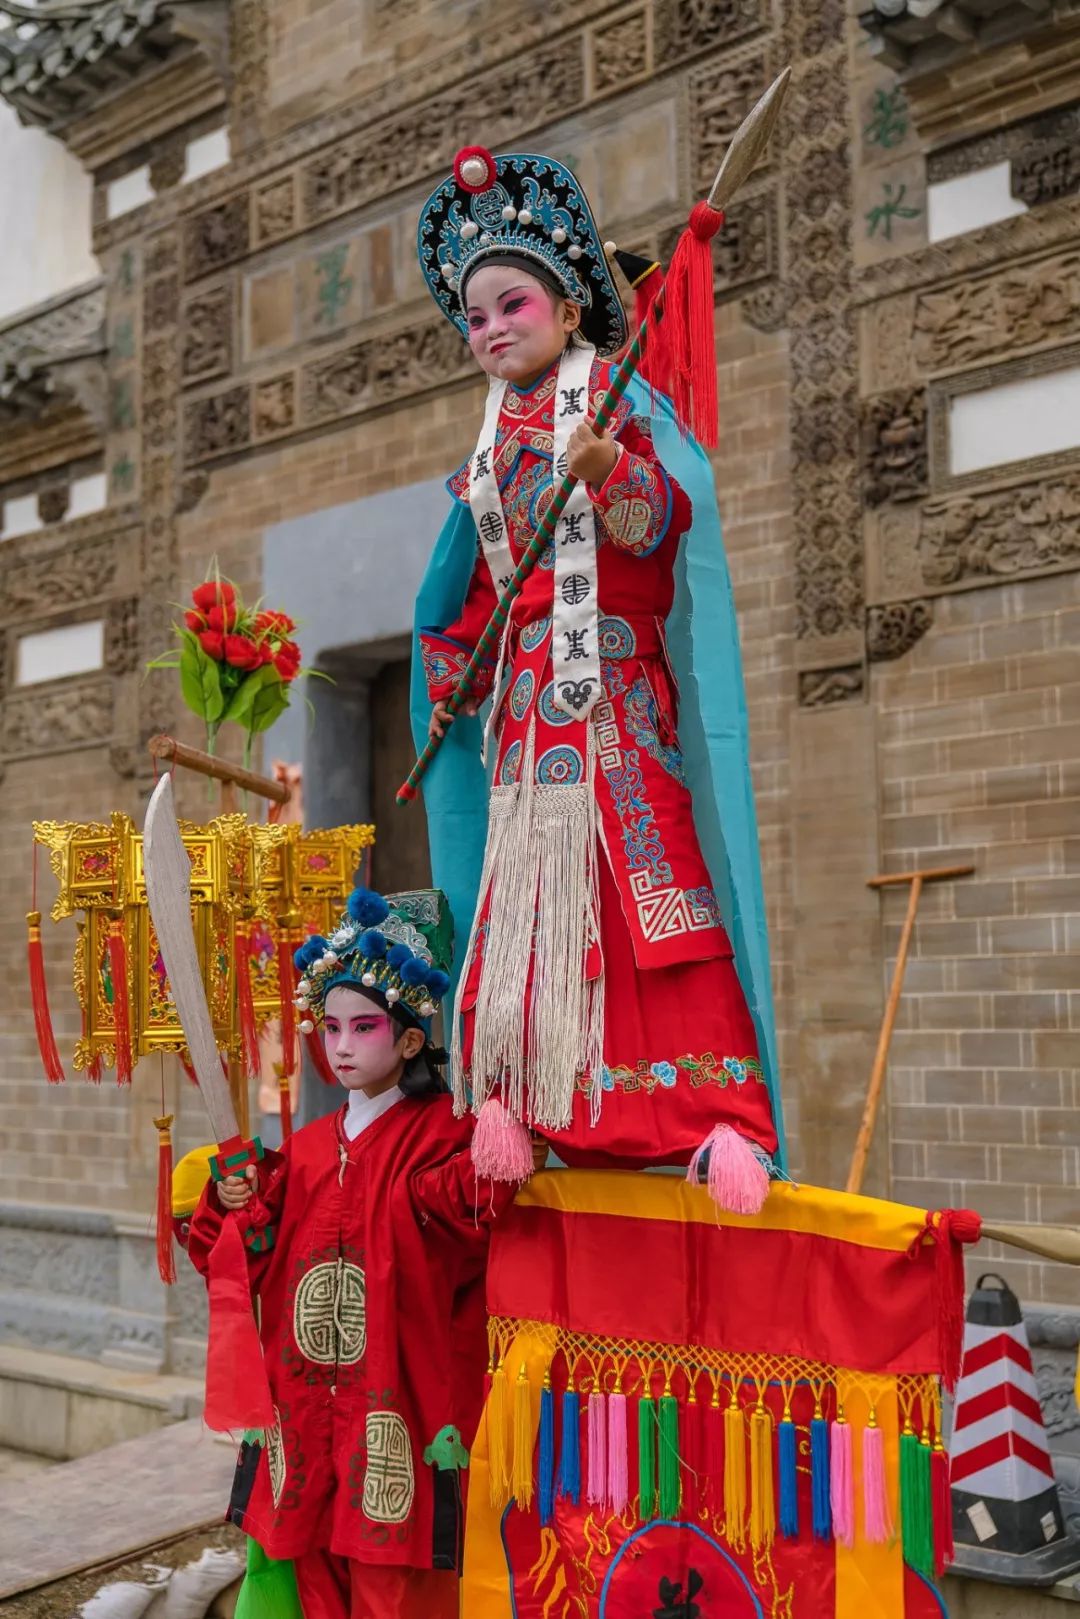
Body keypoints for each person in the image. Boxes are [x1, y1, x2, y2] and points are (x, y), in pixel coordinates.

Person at [410, 145, 786, 1210]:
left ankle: (713, 1116)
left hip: (614, 702)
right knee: (520, 911)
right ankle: (524, 1107)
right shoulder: (481, 466)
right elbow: (462, 605)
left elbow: (665, 525)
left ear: (570, 309)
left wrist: (613, 468)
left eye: (510, 303)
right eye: (474, 318)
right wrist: (452, 683)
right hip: (527, 728)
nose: (491, 329)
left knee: (653, 898)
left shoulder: (615, 408)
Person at [186, 885, 541, 1619]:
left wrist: (504, 1133)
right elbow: (243, 1257)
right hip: (304, 1418)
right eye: (332, 1027)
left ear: (411, 1038)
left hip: (399, 1417)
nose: (341, 1044)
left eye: (364, 1026)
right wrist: (234, 1203)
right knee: (310, 1581)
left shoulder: (442, 1138)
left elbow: (470, 1209)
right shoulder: (307, 1152)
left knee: (395, 1595)